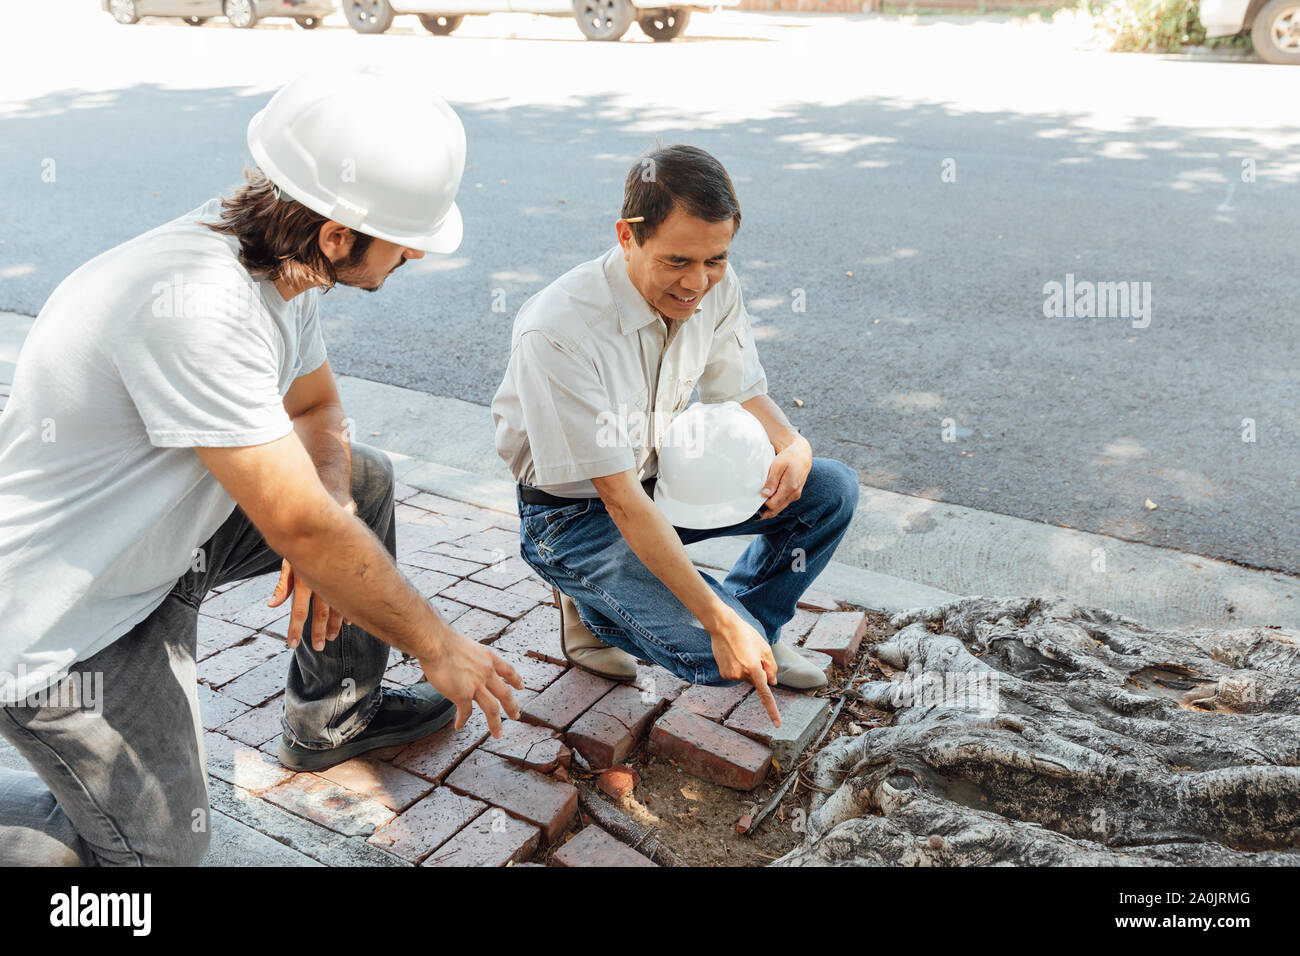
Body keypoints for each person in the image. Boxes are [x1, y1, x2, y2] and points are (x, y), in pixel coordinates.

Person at [0, 67, 522, 866]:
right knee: (158, 858)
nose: (417, 250)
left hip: (163, 541)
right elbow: (298, 525)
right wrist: (437, 645)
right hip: (66, 621)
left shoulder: (284, 257)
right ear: (338, 235)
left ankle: (333, 719)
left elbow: (315, 411)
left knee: (362, 482)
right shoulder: (198, 305)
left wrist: (330, 524)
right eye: (406, 236)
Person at [492, 144, 860, 728]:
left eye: (716, 259)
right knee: (712, 656)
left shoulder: (714, 283)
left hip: (658, 481)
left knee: (830, 490)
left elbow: (739, 388)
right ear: (627, 236)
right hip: (572, 514)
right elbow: (619, 499)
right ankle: (590, 603)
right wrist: (717, 621)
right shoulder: (557, 330)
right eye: (677, 261)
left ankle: (757, 626)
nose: (697, 282)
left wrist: (795, 444)